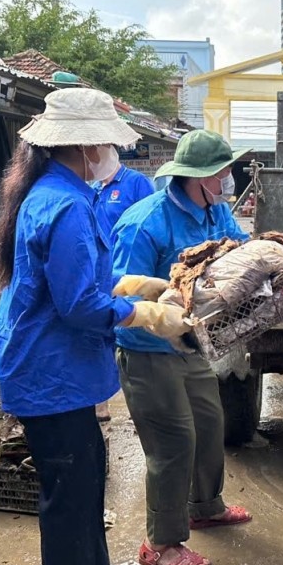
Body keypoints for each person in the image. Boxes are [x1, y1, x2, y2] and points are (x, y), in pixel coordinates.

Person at [0, 88, 191, 565]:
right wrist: (144, 314)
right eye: (105, 142)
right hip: (51, 371)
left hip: (50, 365)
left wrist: (127, 285)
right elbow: (78, 305)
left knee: (87, 472)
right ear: (83, 147)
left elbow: (71, 279)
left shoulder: (57, 192)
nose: (110, 154)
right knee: (71, 497)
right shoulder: (66, 205)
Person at [110, 129, 253, 565]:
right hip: (147, 350)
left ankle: (204, 506)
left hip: (191, 342)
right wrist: (158, 312)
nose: (230, 179)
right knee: (173, 442)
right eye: (225, 172)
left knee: (210, 425)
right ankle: (161, 542)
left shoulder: (216, 211)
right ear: (202, 176)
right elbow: (118, 292)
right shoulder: (145, 223)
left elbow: (237, 250)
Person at [93, 164, 155, 422]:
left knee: (133, 331)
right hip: (98, 273)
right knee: (99, 334)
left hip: (128, 270)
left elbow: (150, 219)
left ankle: (141, 406)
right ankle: (100, 404)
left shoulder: (135, 182)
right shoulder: (94, 187)